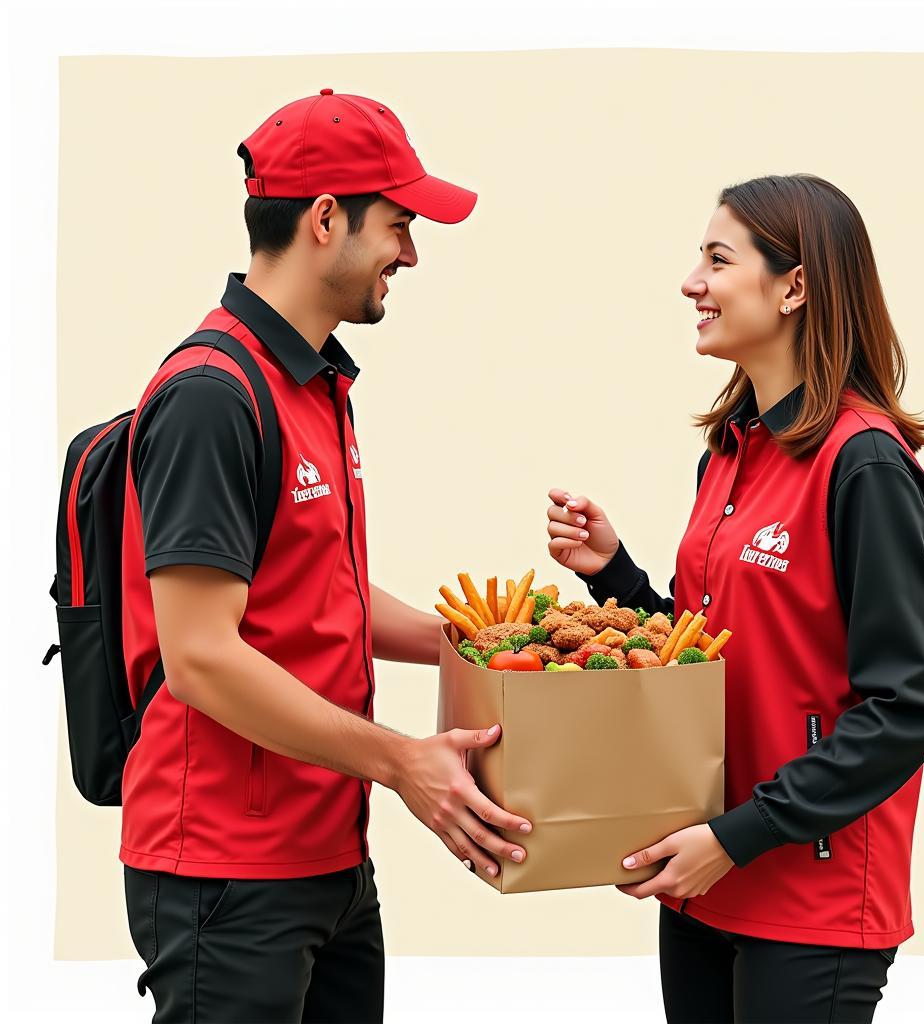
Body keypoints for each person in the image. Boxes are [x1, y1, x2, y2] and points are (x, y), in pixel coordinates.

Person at [119, 90, 531, 1024]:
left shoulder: (313, 382)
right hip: (227, 874)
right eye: (400, 224)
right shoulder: (212, 396)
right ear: (324, 218)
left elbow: (322, 598)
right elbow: (200, 655)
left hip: (330, 859)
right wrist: (400, 760)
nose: (412, 253)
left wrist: (476, 644)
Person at [544, 174, 924, 1023]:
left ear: (795, 285)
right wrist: (615, 576)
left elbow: (908, 705)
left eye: (718, 258)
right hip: (701, 885)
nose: (692, 281)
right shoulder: (731, 451)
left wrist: (737, 838)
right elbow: (702, 663)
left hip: (810, 898)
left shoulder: (864, 465)